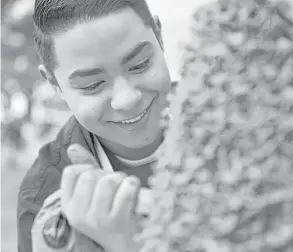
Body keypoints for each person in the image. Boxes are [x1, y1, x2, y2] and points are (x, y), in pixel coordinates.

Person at [17, 0, 176, 251]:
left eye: (140, 64)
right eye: (92, 85)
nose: (127, 99)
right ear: (54, 82)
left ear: (159, 35)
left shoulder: (230, 115)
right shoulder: (44, 202)